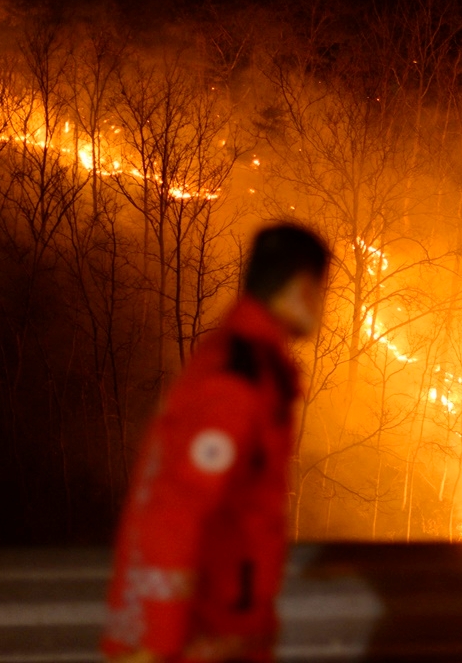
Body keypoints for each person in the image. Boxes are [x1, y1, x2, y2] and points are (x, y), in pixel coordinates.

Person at [102, 224, 330, 663]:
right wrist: (156, 643)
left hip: (229, 628)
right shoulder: (235, 381)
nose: (320, 308)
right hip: (198, 635)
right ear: (300, 289)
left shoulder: (258, 370)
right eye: (319, 293)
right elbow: (175, 508)